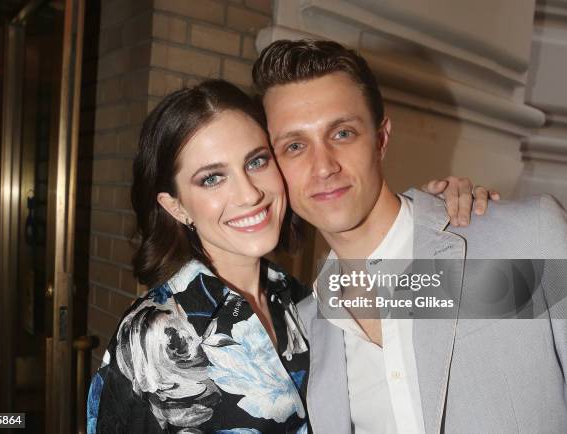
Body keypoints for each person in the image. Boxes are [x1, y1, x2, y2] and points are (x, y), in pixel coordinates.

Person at [85, 78, 493, 433]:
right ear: (176, 206)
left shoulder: (305, 301)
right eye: (212, 178)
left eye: (257, 161)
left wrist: (445, 214)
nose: (249, 194)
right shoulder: (151, 336)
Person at [252, 39, 567, 433]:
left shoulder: (527, 238)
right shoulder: (303, 334)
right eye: (295, 146)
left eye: (343, 133)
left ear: (381, 139)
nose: (323, 167)